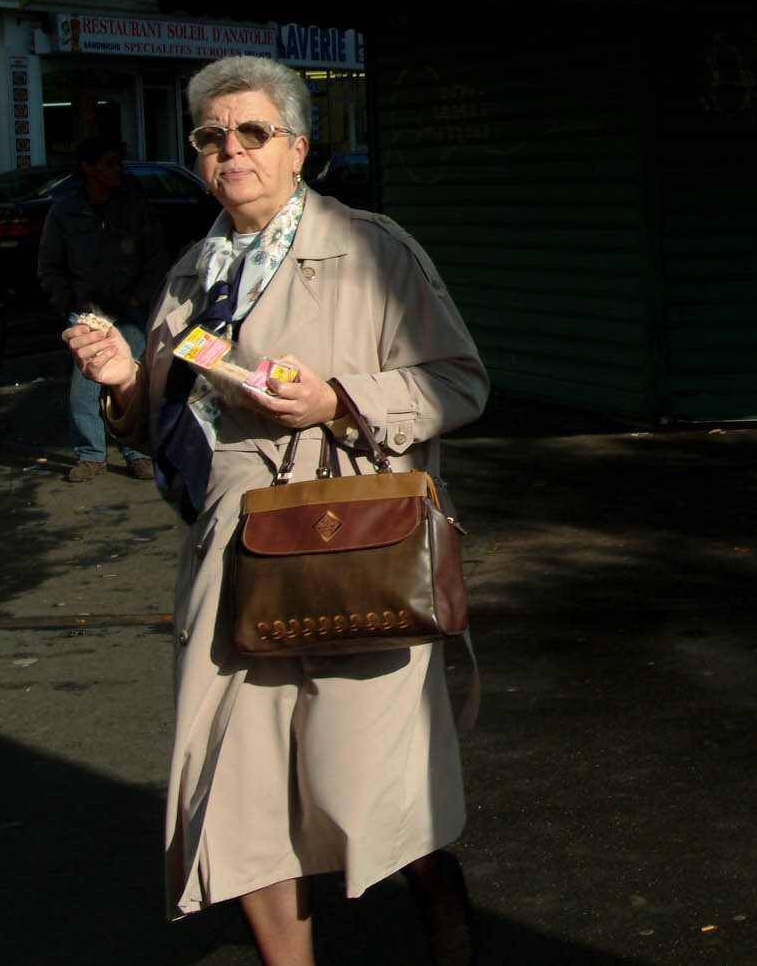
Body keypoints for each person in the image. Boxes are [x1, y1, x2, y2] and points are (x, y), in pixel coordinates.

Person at [60, 55, 487, 965]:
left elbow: (460, 382)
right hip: (232, 556)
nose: (232, 151)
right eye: (212, 137)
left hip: (352, 542)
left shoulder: (373, 249)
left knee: (368, 784)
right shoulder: (192, 273)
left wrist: (339, 399)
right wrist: (125, 382)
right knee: (238, 793)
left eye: (254, 132)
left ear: (298, 147)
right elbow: (167, 422)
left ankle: (449, 924)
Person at [38, 137, 168, 482]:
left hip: (130, 312)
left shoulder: (134, 208)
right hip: (87, 314)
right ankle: (90, 456)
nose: (116, 170)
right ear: (88, 167)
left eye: (117, 163)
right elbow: (49, 265)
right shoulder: (65, 211)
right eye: (108, 163)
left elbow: (156, 257)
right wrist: (67, 302)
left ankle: (138, 453)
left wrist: (140, 297)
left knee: (133, 379)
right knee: (84, 386)